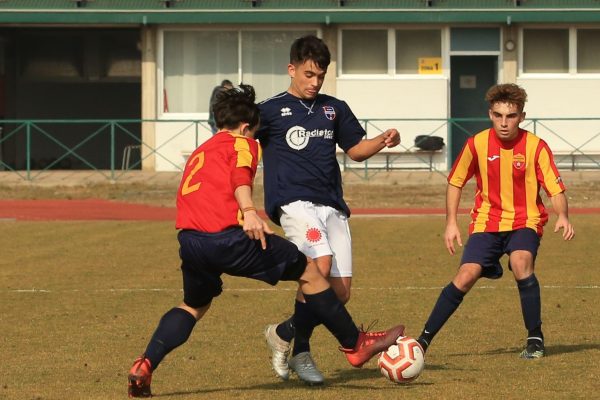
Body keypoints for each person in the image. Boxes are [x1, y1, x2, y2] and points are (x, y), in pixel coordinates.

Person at [126, 84, 405, 398]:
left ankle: (146, 363)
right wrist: (249, 211)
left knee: (193, 305)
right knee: (311, 271)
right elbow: (240, 179)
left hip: (191, 241)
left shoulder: (202, 151)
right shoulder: (243, 143)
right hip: (228, 237)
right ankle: (355, 344)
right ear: (247, 127)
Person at [257, 35, 401, 385]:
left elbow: (355, 150)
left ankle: (285, 334)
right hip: (294, 203)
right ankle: (308, 351)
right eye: (308, 74)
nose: (314, 82)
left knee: (339, 292)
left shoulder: (334, 108)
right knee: (317, 266)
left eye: (320, 76)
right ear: (291, 69)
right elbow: (238, 140)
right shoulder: (270, 110)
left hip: (332, 206)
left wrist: (382, 140)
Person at [416, 83, 575, 359]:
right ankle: (422, 341)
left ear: (521, 117)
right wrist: (451, 222)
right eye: (498, 115)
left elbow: (555, 188)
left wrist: (563, 215)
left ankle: (535, 337)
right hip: (486, 222)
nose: (504, 123)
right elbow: (455, 182)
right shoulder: (476, 144)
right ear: (490, 114)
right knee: (465, 276)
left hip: (524, 220)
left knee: (520, 262)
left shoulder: (536, 147)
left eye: (511, 116)